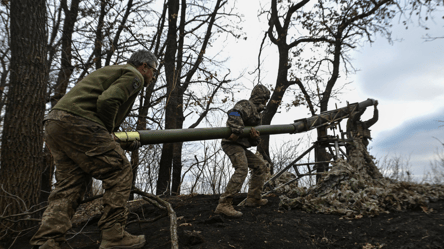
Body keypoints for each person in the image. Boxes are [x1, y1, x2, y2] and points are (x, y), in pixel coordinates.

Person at [30, 50, 159, 249]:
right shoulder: (134, 76)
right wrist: (107, 133)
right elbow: (107, 101)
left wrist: (114, 137)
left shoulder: (114, 70)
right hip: (78, 122)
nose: (153, 76)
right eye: (153, 71)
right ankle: (114, 236)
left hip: (55, 123)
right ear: (144, 67)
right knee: (119, 169)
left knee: (69, 186)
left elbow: (98, 125)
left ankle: (47, 241)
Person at [214, 84, 271, 217]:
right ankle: (224, 204)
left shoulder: (258, 115)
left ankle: (253, 199)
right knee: (242, 168)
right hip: (231, 143)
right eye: (265, 99)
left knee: (261, 166)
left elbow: (254, 140)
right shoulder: (246, 105)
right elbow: (233, 113)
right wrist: (238, 131)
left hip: (241, 146)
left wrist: (254, 138)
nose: (265, 103)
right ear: (261, 98)